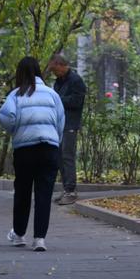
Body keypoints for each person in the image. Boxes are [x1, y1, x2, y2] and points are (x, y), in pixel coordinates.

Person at [0, 56, 65, 252]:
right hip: (49, 148)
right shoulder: (52, 94)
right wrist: (54, 140)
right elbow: (61, 121)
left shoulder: (16, 94)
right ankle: (39, 239)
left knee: (23, 192)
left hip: (25, 150)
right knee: (44, 194)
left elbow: (5, 116)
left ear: (20, 73)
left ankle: (19, 234)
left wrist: (16, 131)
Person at [49, 53, 86, 205]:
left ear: (61, 65)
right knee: (59, 157)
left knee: (67, 156)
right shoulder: (58, 82)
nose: (54, 73)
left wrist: (58, 100)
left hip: (70, 124)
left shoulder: (76, 80)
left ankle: (71, 191)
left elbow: (77, 101)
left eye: (55, 69)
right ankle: (66, 189)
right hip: (59, 124)